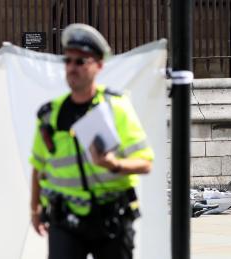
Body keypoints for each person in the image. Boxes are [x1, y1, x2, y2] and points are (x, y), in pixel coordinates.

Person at [29, 23, 154, 259]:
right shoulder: (49, 114)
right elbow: (38, 167)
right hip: (65, 220)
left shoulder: (116, 107)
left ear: (98, 66)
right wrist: (35, 209)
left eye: (80, 61)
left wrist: (113, 164)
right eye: (68, 61)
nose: (72, 67)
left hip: (111, 219)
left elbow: (145, 163)